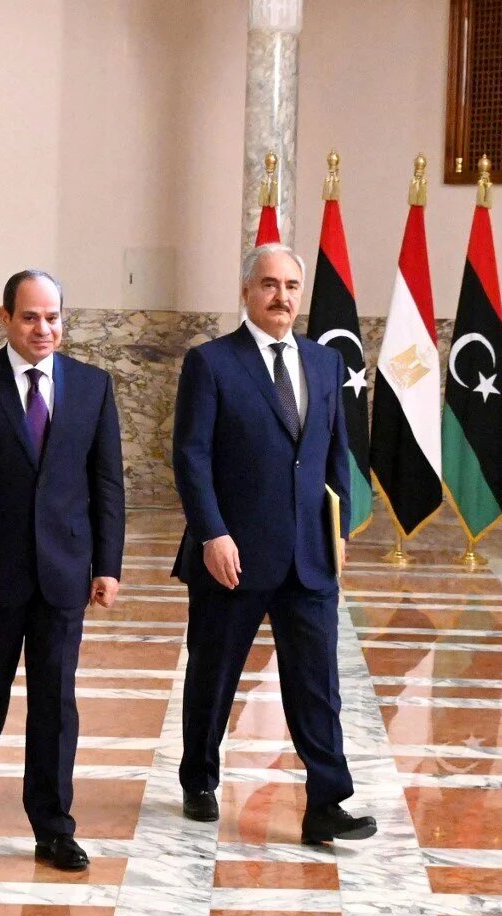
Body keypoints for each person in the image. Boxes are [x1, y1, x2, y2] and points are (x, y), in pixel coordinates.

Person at [171, 243, 376, 844]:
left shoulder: (325, 363)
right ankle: (199, 778)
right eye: (268, 284)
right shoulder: (211, 363)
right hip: (231, 555)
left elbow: (335, 455)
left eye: (290, 285)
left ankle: (326, 803)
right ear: (246, 291)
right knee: (213, 676)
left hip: (310, 557)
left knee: (318, 685)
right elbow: (191, 456)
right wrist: (212, 533)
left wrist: (339, 532)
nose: (281, 296)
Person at [0, 269, 125, 871]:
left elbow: (107, 484)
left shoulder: (93, 386)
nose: (44, 329)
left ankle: (54, 826)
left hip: (64, 571)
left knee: (56, 702)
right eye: (31, 317)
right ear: (5, 317)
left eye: (53, 317)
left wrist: (108, 564)